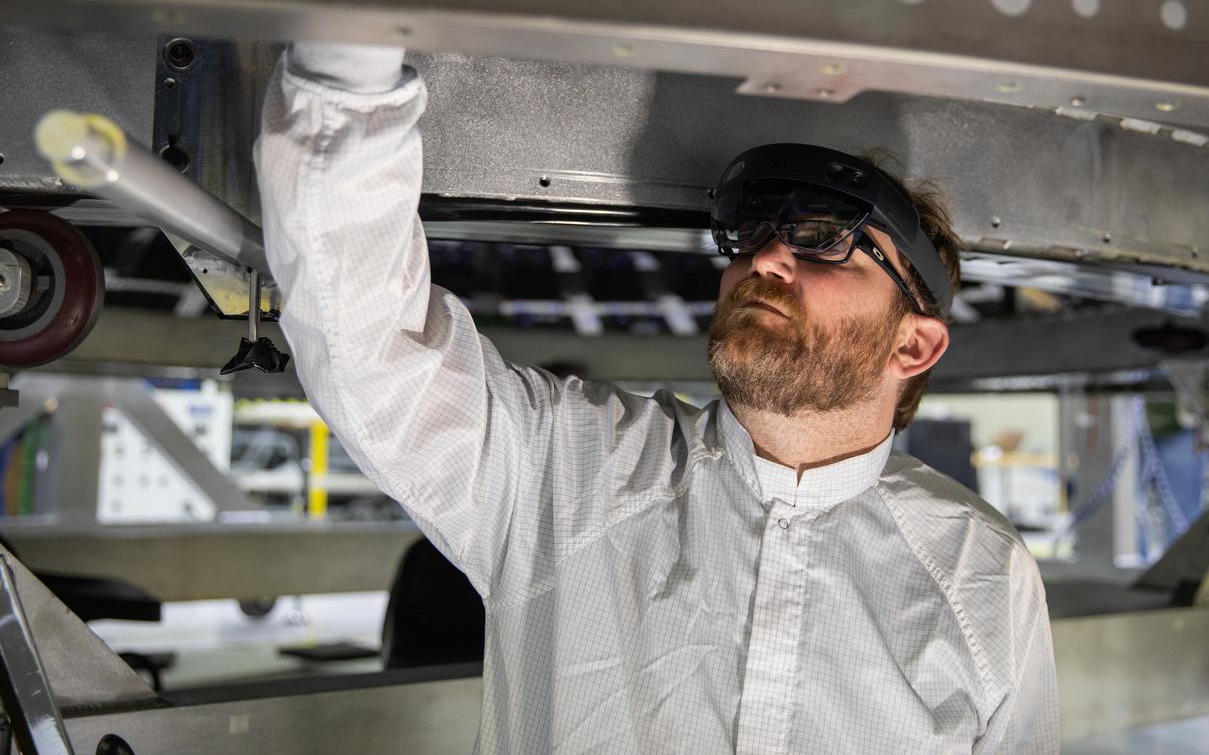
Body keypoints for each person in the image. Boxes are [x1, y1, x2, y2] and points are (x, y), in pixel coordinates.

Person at [256, 43, 1059, 754]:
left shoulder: (979, 572)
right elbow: (371, 351)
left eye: (825, 238)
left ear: (912, 344)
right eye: (754, 236)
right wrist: (349, 54)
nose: (768, 256)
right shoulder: (563, 471)